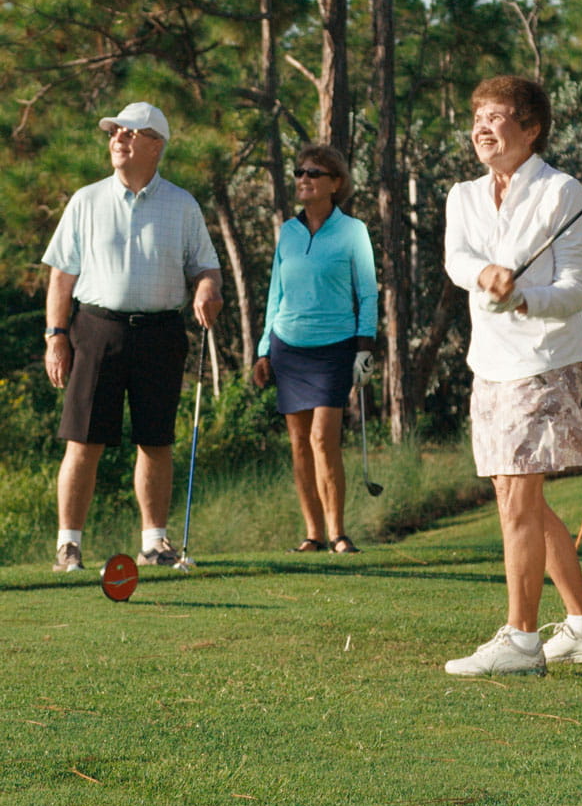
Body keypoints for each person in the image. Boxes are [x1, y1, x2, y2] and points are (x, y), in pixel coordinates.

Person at [443, 75, 582, 677]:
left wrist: (524, 298)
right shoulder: (463, 195)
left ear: (531, 128)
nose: (481, 128)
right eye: (477, 117)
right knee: (519, 498)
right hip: (488, 362)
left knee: (518, 496)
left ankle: (521, 641)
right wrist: (486, 273)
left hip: (544, 358)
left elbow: (574, 289)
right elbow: (457, 258)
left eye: (495, 117)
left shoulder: (562, 191)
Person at [42, 102, 223, 572]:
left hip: (161, 333)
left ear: (155, 144)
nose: (117, 139)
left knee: (155, 440)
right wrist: (55, 335)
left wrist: (207, 290)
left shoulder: (182, 204)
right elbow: (62, 277)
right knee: (83, 441)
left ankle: (155, 542)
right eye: (114, 132)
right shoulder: (86, 200)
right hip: (97, 330)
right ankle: (69, 547)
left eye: (129, 132)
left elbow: (206, 267)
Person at [252, 144, 378, 554]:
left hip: (335, 349)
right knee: (299, 443)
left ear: (335, 184)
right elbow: (276, 292)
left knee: (324, 439)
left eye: (313, 173)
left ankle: (339, 531)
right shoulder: (287, 232)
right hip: (289, 347)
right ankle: (313, 534)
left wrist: (365, 347)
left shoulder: (353, 232)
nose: (303, 179)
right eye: (299, 173)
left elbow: (369, 293)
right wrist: (263, 349)